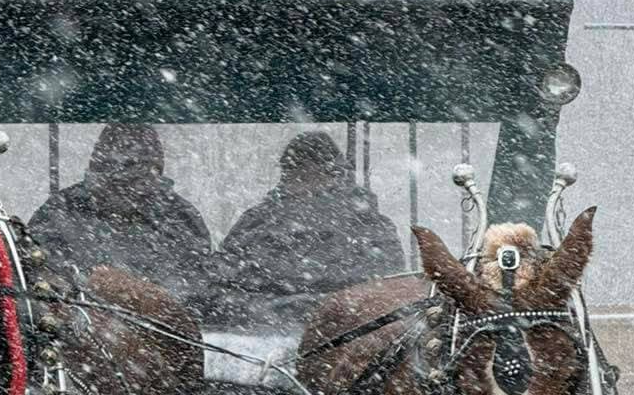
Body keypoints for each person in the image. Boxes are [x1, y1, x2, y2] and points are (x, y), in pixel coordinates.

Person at [206, 131, 406, 329]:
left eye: (310, 174)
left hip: (344, 338)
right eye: (294, 174)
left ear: (334, 175)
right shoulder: (256, 222)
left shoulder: (369, 227)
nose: (302, 184)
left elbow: (387, 292)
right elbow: (220, 280)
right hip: (253, 338)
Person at [28, 123, 212, 305]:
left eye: (137, 178)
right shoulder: (62, 209)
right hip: (72, 325)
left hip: (156, 329)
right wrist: (85, 283)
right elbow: (34, 269)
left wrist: (139, 292)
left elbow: (196, 291)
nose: (125, 191)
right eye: (118, 178)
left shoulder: (179, 218)